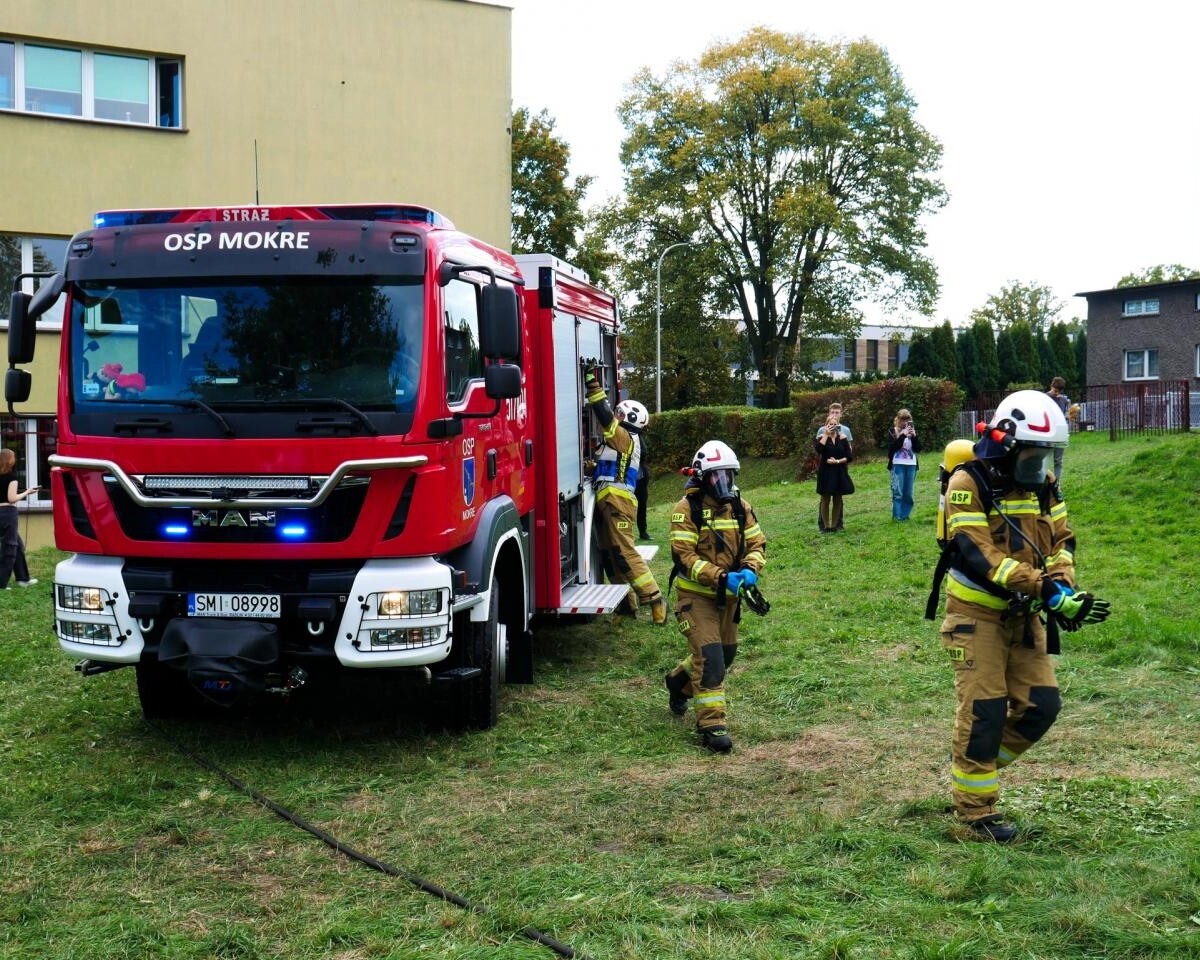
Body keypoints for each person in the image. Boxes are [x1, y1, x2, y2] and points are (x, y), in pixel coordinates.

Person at [937, 390, 1109, 842]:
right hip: (975, 616)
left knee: (1041, 708)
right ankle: (975, 813)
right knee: (986, 711)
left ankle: (972, 768)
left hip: (1023, 616)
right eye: (1034, 455)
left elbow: (1062, 540)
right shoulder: (967, 483)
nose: (1041, 466)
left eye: (1046, 455)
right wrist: (1041, 586)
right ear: (1007, 443)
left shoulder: (1044, 484)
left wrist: (1062, 587)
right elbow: (980, 555)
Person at [664, 440, 767, 752]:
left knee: (726, 654)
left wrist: (749, 569)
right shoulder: (686, 510)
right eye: (717, 476)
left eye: (729, 475)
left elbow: (757, 544)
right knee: (710, 659)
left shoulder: (740, 507)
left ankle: (678, 683)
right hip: (695, 600)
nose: (725, 483)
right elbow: (685, 558)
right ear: (702, 477)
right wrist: (721, 577)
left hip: (728, 600)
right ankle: (712, 726)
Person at [583, 369, 668, 625]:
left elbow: (604, 415)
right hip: (608, 502)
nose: (616, 416)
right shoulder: (619, 443)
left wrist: (592, 385)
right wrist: (592, 468)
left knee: (624, 552)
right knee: (610, 557)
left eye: (620, 413)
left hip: (617, 503)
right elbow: (610, 469)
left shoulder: (626, 437)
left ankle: (655, 599)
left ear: (630, 418)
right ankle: (625, 606)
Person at [0, 449, 39, 589]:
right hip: (8, 513)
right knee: (9, 547)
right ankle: (1, 583)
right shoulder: (12, 476)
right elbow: (12, 498)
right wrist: (28, 492)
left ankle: (22, 578)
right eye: (14, 457)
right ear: (10, 460)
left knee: (17, 545)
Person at [814, 413, 854, 531]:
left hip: (839, 471)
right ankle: (826, 526)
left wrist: (837, 461)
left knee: (837, 498)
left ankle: (834, 525)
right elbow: (819, 450)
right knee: (825, 498)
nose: (832, 426)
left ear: (838, 426)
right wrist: (826, 435)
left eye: (835, 424)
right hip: (826, 472)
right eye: (830, 424)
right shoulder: (822, 437)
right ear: (826, 425)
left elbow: (849, 457)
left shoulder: (842, 438)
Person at [886, 408, 922, 521]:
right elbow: (891, 450)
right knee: (898, 492)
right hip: (897, 464)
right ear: (898, 420)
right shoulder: (893, 431)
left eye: (907, 420)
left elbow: (918, 449)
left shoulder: (912, 431)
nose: (905, 422)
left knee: (908, 492)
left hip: (911, 465)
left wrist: (914, 436)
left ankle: (905, 516)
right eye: (902, 419)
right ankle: (897, 517)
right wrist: (902, 435)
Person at [1047, 377, 1071, 480]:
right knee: (1044, 459)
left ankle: (1056, 484)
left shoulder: (1064, 400)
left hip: (1059, 432)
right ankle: (1043, 482)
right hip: (1047, 432)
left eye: (1058, 392)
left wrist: (1069, 416)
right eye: (1055, 390)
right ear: (1051, 386)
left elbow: (1065, 415)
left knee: (1058, 461)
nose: (1056, 393)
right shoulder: (1044, 398)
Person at [636, 441, 652, 542]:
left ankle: (643, 532)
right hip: (627, 482)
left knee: (642, 507)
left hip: (640, 480)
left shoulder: (638, 438)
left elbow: (644, 453)